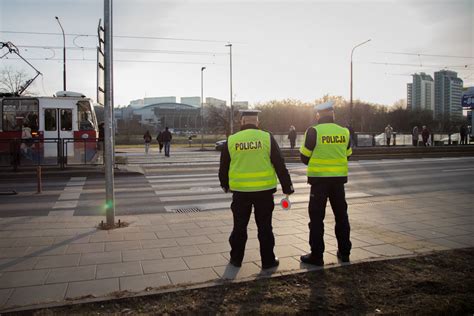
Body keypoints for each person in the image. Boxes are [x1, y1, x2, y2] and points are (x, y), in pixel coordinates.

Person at [219, 110, 294, 270]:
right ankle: (268, 261)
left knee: (239, 227)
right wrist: (287, 187)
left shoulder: (232, 140)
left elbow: (223, 167)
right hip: (264, 192)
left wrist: (225, 185)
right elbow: (279, 163)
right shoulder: (267, 138)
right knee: (265, 227)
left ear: (242, 122)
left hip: (240, 193)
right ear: (257, 123)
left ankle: (236, 259)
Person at [299, 101, 352, 266]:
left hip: (318, 182)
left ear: (318, 115)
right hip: (338, 182)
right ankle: (344, 253)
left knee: (316, 219)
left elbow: (304, 157)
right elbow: (347, 155)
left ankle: (317, 255)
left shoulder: (313, 131)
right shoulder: (345, 132)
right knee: (341, 217)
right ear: (333, 114)